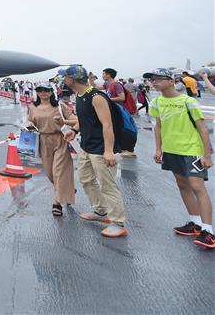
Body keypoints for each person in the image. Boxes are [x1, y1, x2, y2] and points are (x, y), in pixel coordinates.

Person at [145, 69, 214, 249]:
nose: (154, 82)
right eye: (153, 80)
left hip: (191, 149)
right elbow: (158, 127)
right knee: (182, 184)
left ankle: (208, 231)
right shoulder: (157, 102)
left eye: (159, 79)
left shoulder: (188, 101)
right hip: (171, 149)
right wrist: (158, 149)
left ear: (171, 81)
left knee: (197, 187)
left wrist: (206, 154)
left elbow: (203, 128)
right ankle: (195, 222)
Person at [58, 66, 128, 238]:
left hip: (101, 149)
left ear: (72, 79)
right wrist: (73, 131)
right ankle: (101, 211)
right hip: (86, 147)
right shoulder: (80, 96)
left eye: (65, 77)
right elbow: (84, 120)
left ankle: (118, 222)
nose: (62, 80)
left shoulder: (96, 96)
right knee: (86, 179)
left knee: (107, 185)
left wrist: (109, 151)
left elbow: (107, 124)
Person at [26, 83, 75, 216]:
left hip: (60, 140)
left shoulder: (60, 106)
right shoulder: (32, 107)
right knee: (49, 173)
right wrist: (30, 124)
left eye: (46, 90)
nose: (43, 92)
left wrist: (65, 122)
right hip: (43, 141)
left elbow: (74, 119)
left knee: (58, 171)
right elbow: (30, 121)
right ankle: (66, 189)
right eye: (40, 90)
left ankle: (57, 203)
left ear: (51, 92)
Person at [102, 68, 135, 157]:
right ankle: (121, 148)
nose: (102, 75)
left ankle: (129, 150)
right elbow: (95, 86)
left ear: (108, 75)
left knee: (124, 129)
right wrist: (90, 79)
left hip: (120, 111)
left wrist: (107, 99)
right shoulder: (107, 85)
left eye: (104, 74)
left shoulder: (116, 85)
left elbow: (122, 97)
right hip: (114, 110)